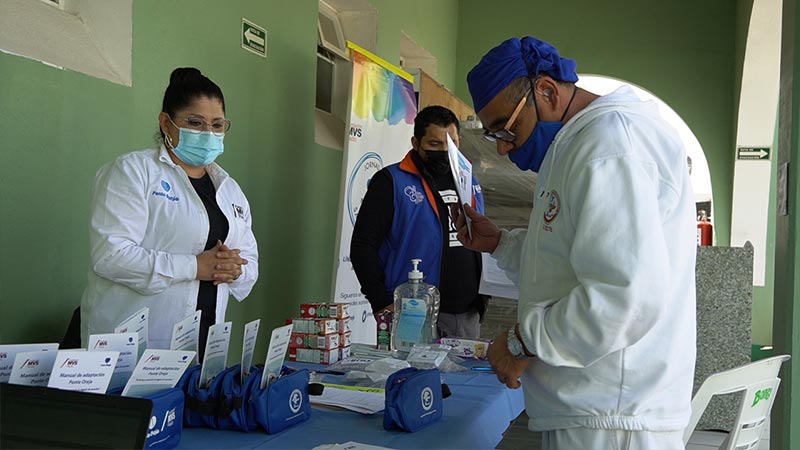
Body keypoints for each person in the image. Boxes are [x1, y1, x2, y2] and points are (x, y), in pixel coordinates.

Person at [455, 36, 697, 449]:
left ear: (546, 91)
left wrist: (520, 342)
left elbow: (624, 295)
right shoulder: (580, 145)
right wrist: (500, 243)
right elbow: (565, 259)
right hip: (594, 408)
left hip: (614, 416)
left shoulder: (610, 145)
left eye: (506, 129)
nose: (505, 148)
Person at [81, 67, 259, 359]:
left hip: (205, 348)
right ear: (166, 123)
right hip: (133, 349)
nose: (208, 133)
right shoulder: (133, 172)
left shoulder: (230, 191)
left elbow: (250, 263)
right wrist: (194, 267)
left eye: (217, 125)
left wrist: (235, 269)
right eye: (195, 122)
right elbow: (110, 256)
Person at [350, 105, 487, 339]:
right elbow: (363, 245)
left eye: (451, 144)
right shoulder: (391, 182)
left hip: (466, 315)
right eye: (434, 144)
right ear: (416, 143)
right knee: (413, 376)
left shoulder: (467, 180)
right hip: (414, 314)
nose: (444, 151)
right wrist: (380, 302)